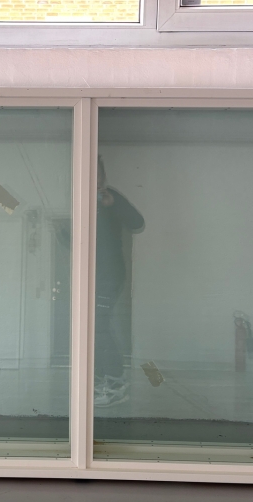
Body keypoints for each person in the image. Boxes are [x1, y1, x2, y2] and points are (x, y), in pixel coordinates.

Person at [94, 157, 145, 407]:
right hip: (93, 275)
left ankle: (116, 383)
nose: (93, 177)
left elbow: (138, 223)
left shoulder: (110, 196)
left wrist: (114, 205)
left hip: (109, 274)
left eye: (97, 172)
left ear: (103, 175)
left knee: (99, 326)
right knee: (91, 328)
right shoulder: (83, 200)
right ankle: (101, 380)